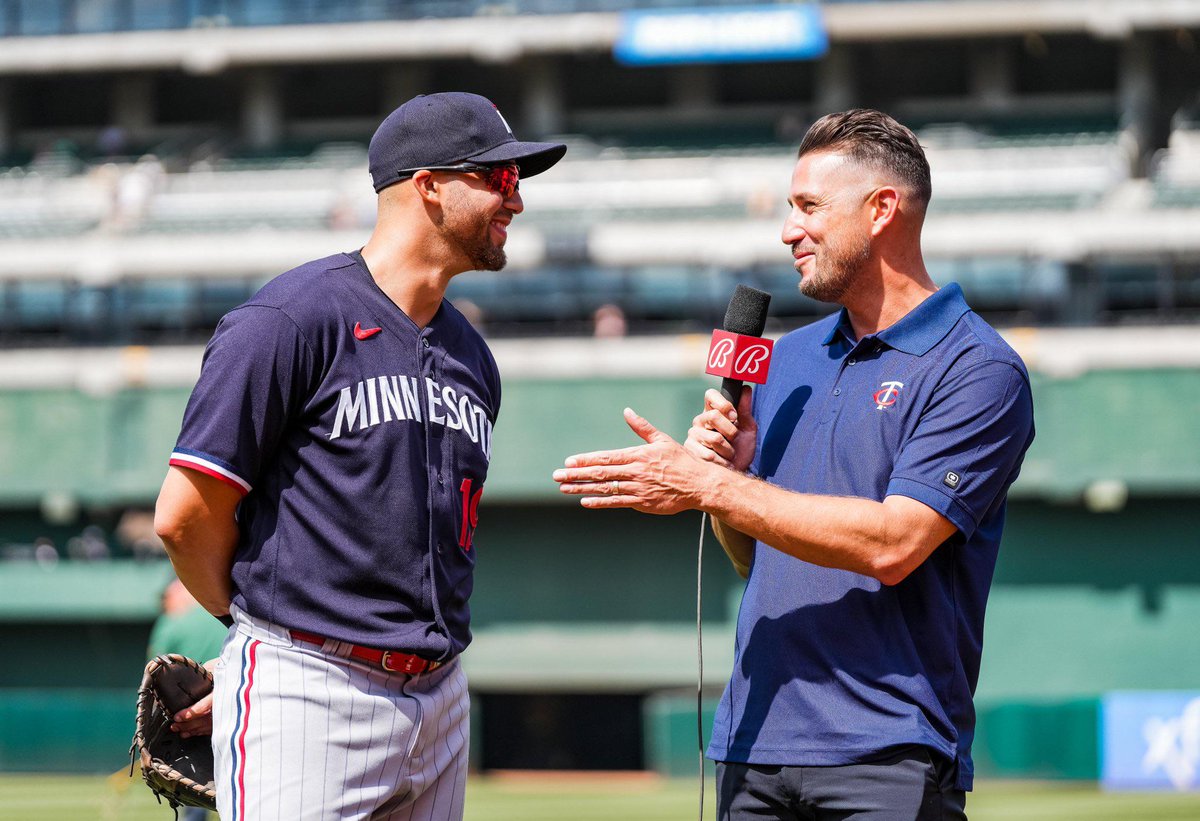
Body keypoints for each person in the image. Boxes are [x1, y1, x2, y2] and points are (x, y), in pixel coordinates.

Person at [553, 109, 1034, 820]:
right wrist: (731, 484)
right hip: (754, 744)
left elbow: (894, 543)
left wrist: (707, 483)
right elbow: (753, 558)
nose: (787, 230)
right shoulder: (785, 361)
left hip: (888, 753)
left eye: (809, 207)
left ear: (880, 210)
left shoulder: (977, 367)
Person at [154, 92, 565, 820]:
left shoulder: (474, 356)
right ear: (428, 185)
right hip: (312, 685)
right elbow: (185, 517)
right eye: (498, 179)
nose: (517, 200)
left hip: (439, 695)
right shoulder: (289, 320)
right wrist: (260, 644)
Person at [146, 578, 227, 821]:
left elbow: (153, 673)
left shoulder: (171, 622)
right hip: (237, 704)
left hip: (187, 719)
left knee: (195, 789)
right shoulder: (225, 619)